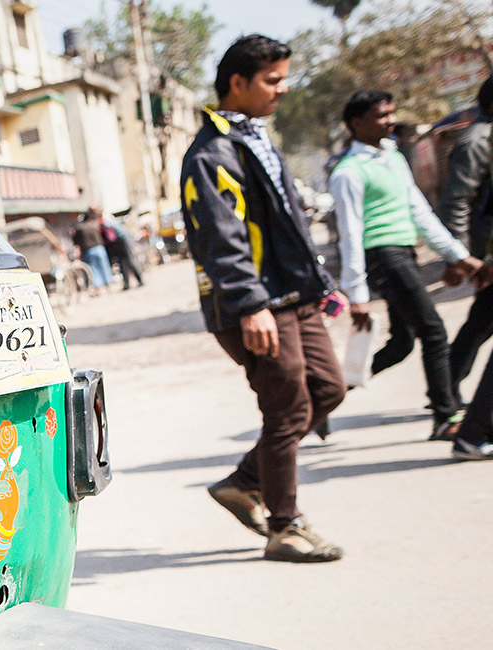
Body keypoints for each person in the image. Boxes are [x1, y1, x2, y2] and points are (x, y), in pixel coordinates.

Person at [185, 34, 347, 563]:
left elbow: (288, 223)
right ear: (238, 83)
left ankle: (244, 482)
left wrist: (321, 284)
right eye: (271, 80)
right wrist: (250, 303)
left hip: (295, 293)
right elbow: (219, 235)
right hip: (257, 303)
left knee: (328, 390)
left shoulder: (254, 139)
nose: (282, 89)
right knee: (288, 408)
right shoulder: (211, 153)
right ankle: (286, 526)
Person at [331, 90, 482, 441]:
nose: (391, 120)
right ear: (357, 123)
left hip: (404, 252)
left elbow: (420, 214)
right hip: (384, 256)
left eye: (391, 113)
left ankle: (322, 397)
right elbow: (350, 235)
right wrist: (357, 293)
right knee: (433, 331)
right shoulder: (349, 172)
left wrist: (457, 254)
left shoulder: (393, 158)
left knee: (402, 343)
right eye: (382, 115)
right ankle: (446, 415)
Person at [446, 78, 493, 399]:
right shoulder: (476, 141)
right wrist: (459, 255)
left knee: (483, 319)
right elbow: (458, 200)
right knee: (482, 320)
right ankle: (446, 390)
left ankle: (445, 387)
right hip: (486, 250)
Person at [72, 209, 111, 292]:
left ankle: (97, 288)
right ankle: (108, 286)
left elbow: (76, 242)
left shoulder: (80, 229)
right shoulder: (94, 226)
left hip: (89, 250)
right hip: (100, 248)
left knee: (93, 269)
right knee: (104, 267)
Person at [103, 215, 145, 289]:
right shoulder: (114, 222)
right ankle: (131, 282)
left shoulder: (106, 224)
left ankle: (134, 281)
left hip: (121, 242)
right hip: (125, 241)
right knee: (127, 261)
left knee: (126, 262)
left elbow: (111, 238)